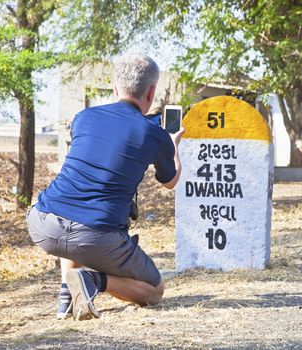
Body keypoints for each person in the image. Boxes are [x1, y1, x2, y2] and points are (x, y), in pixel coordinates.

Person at [26, 53, 184, 321]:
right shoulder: (154, 135)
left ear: (115, 88)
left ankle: (66, 296)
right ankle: (92, 282)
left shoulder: (83, 117)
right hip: (95, 236)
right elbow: (170, 181)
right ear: (151, 92)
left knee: (73, 206)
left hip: (42, 223)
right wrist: (174, 145)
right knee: (155, 290)